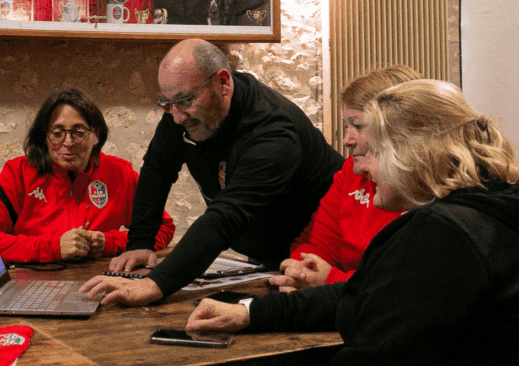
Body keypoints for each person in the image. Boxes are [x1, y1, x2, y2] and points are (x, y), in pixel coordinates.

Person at [187, 79, 519, 366]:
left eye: (377, 152)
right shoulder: (490, 208)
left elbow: (379, 354)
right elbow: (367, 291)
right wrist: (250, 312)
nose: (366, 167)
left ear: (413, 154)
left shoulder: (447, 232)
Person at [80, 39, 344, 306]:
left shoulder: (273, 132)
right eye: (168, 103)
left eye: (185, 100)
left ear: (223, 83)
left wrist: (155, 284)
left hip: (320, 256)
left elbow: (227, 215)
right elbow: (158, 169)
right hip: (266, 252)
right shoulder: (183, 109)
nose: (176, 116)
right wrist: (140, 241)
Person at [0, 88, 175, 263]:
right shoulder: (18, 173)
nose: (68, 142)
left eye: (79, 132)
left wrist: (109, 242)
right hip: (30, 282)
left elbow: (162, 228)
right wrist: (55, 248)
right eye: (57, 133)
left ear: (96, 135)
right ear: (44, 136)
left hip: (98, 281)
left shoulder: (119, 173)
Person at [272, 65, 420, 292]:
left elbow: (401, 287)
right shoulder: (351, 170)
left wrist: (330, 280)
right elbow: (315, 244)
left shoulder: (427, 188)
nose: (347, 140)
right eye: (347, 126)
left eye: (359, 126)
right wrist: (302, 273)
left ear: (395, 128)